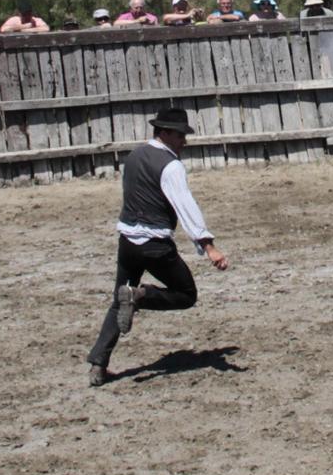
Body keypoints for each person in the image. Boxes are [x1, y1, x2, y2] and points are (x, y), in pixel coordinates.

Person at [86, 107, 230, 387]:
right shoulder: (171, 166)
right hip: (154, 245)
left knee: (119, 300)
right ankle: (140, 296)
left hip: (127, 241)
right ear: (163, 132)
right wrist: (208, 245)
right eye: (179, 135)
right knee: (186, 294)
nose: (184, 141)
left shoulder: (134, 156)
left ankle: (98, 365)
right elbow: (186, 206)